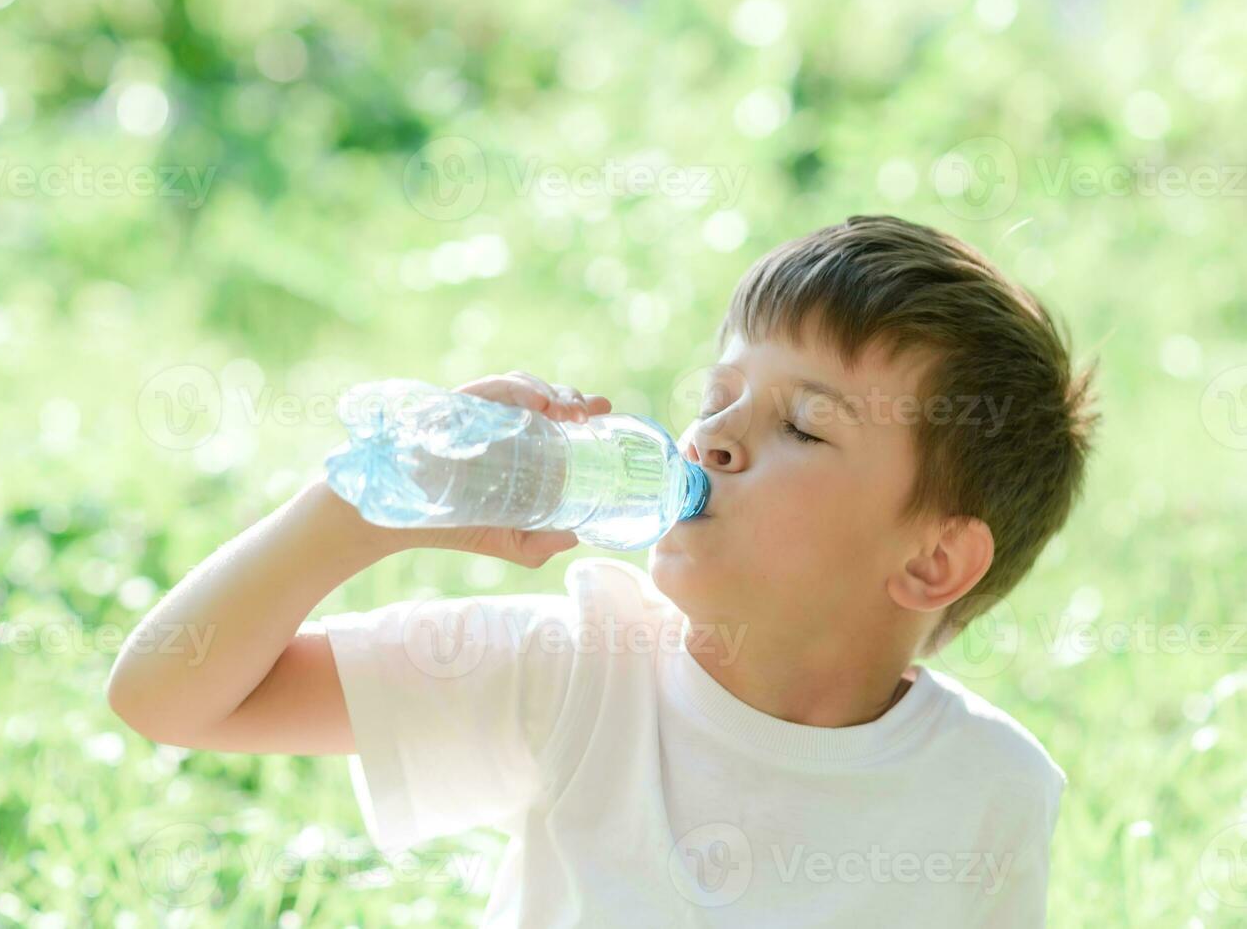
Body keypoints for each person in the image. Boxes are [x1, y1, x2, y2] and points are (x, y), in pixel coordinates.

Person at [108, 214, 1099, 926]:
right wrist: (364, 509)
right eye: (718, 395)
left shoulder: (988, 786)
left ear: (931, 560)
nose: (711, 436)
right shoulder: (579, 668)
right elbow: (168, 697)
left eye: (799, 423)